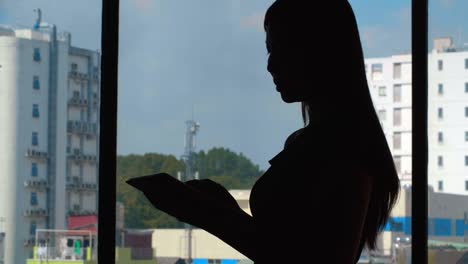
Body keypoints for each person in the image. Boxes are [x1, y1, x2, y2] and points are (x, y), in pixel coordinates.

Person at [127, 0, 400, 263]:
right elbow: (289, 245)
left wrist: (209, 214)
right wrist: (223, 210)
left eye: (283, 48)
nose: (271, 64)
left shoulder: (344, 150)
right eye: (271, 50)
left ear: (321, 51)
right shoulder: (326, 144)